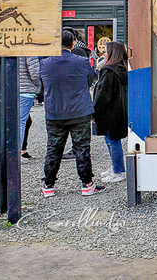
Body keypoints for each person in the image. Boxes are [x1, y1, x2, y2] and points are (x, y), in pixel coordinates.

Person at [40, 30, 103, 197]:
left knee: (53, 148)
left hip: (55, 111)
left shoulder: (45, 63)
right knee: (82, 148)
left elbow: (42, 83)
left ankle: (49, 185)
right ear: (73, 43)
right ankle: (87, 184)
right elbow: (90, 80)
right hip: (79, 110)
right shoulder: (82, 62)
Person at [93, 40, 128, 183]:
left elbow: (103, 95)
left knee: (112, 142)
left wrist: (94, 112)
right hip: (119, 111)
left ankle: (119, 170)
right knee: (112, 141)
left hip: (109, 112)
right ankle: (116, 167)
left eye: (106, 52)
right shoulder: (122, 68)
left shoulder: (109, 71)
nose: (103, 54)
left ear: (113, 53)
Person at [18, 56, 40, 159]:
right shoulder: (28, 48)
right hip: (25, 88)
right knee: (21, 122)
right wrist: (37, 86)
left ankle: (21, 150)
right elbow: (35, 73)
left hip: (6, 88)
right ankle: (16, 154)